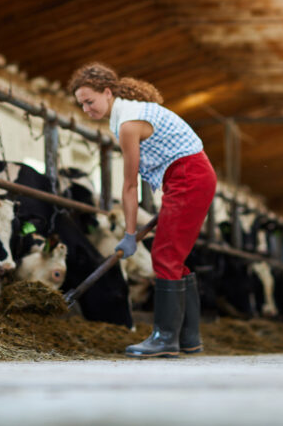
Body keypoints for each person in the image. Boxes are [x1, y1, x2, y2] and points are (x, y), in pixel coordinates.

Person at [69, 63, 217, 358]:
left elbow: (129, 186)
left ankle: (165, 338)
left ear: (108, 93)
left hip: (188, 176)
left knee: (164, 254)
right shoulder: (129, 112)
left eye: (90, 101)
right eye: (81, 104)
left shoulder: (128, 123)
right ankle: (188, 337)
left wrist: (129, 233)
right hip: (188, 176)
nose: (86, 109)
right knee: (173, 255)